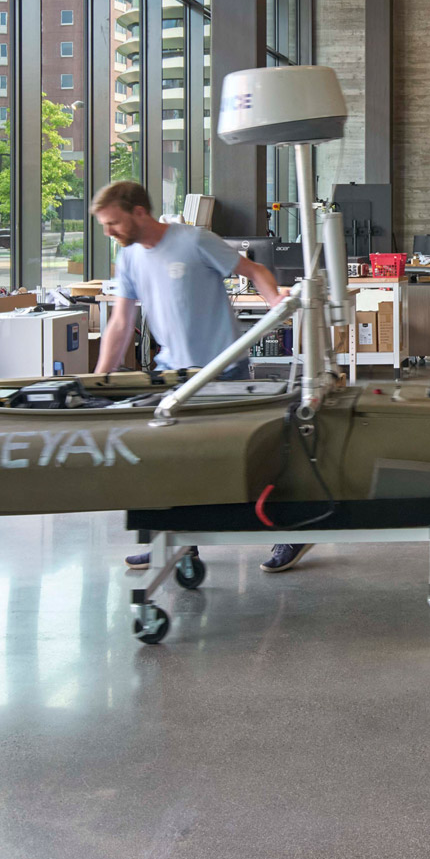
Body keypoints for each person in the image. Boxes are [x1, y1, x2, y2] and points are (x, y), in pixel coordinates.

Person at [87, 181, 297, 570]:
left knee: (246, 458)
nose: (108, 232)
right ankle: (176, 540)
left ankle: (288, 532)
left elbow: (254, 269)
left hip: (223, 367)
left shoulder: (194, 240)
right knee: (167, 459)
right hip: (173, 374)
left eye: (113, 223)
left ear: (138, 212)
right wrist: (100, 380)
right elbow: (120, 322)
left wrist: (274, 301)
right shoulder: (130, 258)